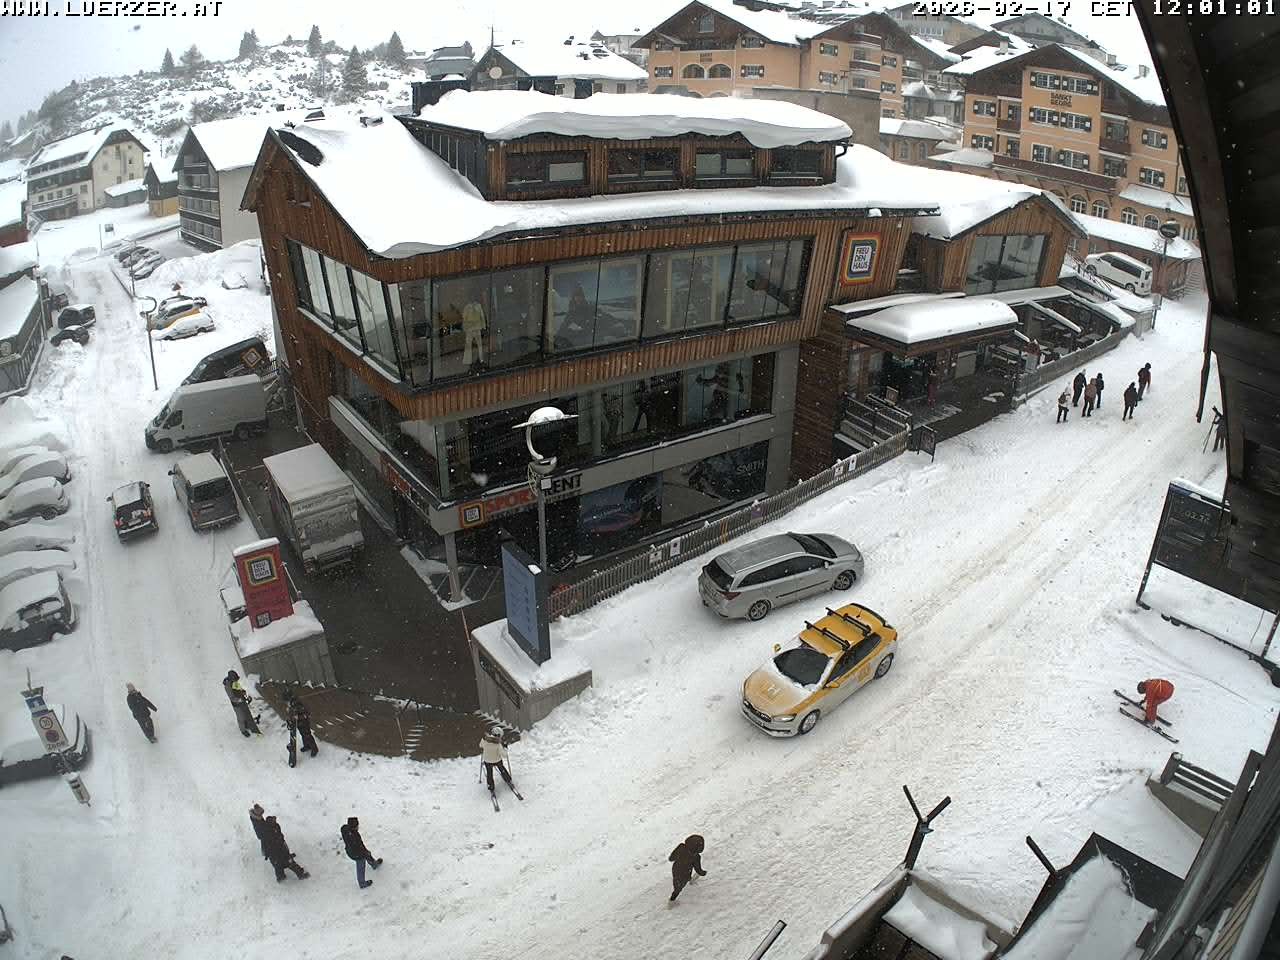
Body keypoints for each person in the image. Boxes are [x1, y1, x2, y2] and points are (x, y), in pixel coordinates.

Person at [262, 815, 309, 882]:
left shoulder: (277, 826)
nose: (275, 821)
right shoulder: (266, 832)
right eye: (273, 821)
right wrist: (267, 854)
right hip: (274, 853)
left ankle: (300, 874)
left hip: (282, 849)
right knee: (279, 865)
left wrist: (282, 841)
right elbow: (266, 845)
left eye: (275, 820)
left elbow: (280, 835)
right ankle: (281, 878)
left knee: (290, 862)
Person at [341, 816, 383, 889]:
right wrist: (366, 852)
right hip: (356, 854)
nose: (358, 827)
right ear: (354, 827)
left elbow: (343, 828)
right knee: (361, 866)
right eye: (357, 826)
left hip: (350, 850)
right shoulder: (355, 837)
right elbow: (359, 848)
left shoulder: (344, 829)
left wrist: (366, 852)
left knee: (367, 854)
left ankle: (374, 864)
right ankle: (362, 883)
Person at [668, 834, 707, 903]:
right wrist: (702, 873)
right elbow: (697, 869)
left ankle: (686, 882)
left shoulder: (681, 847)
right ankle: (672, 900)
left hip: (675, 869)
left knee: (677, 882)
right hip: (685, 872)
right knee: (679, 887)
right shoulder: (696, 857)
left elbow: (671, 858)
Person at [480, 725, 516, 797]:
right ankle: (508, 779)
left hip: (487, 761)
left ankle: (491, 787)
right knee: (502, 769)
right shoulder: (498, 744)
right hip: (497, 760)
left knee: (489, 773)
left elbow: (480, 745)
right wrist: (505, 748)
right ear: (498, 735)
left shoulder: (484, 740)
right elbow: (504, 755)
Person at [223, 670, 261, 738]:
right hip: (236, 704)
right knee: (240, 717)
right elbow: (232, 697)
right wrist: (239, 700)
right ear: (231, 678)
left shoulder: (234, 682)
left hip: (241, 700)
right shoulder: (227, 686)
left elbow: (238, 687)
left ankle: (246, 725)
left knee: (245, 714)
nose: (236, 681)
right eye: (235, 679)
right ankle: (243, 730)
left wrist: (243, 691)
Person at [288, 691, 318, 759]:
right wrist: (291, 719)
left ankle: (314, 749)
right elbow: (291, 713)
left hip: (304, 723)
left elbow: (307, 714)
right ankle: (307, 746)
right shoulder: (292, 704)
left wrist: (299, 717)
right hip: (298, 724)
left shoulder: (300, 704)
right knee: (303, 735)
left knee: (307, 735)